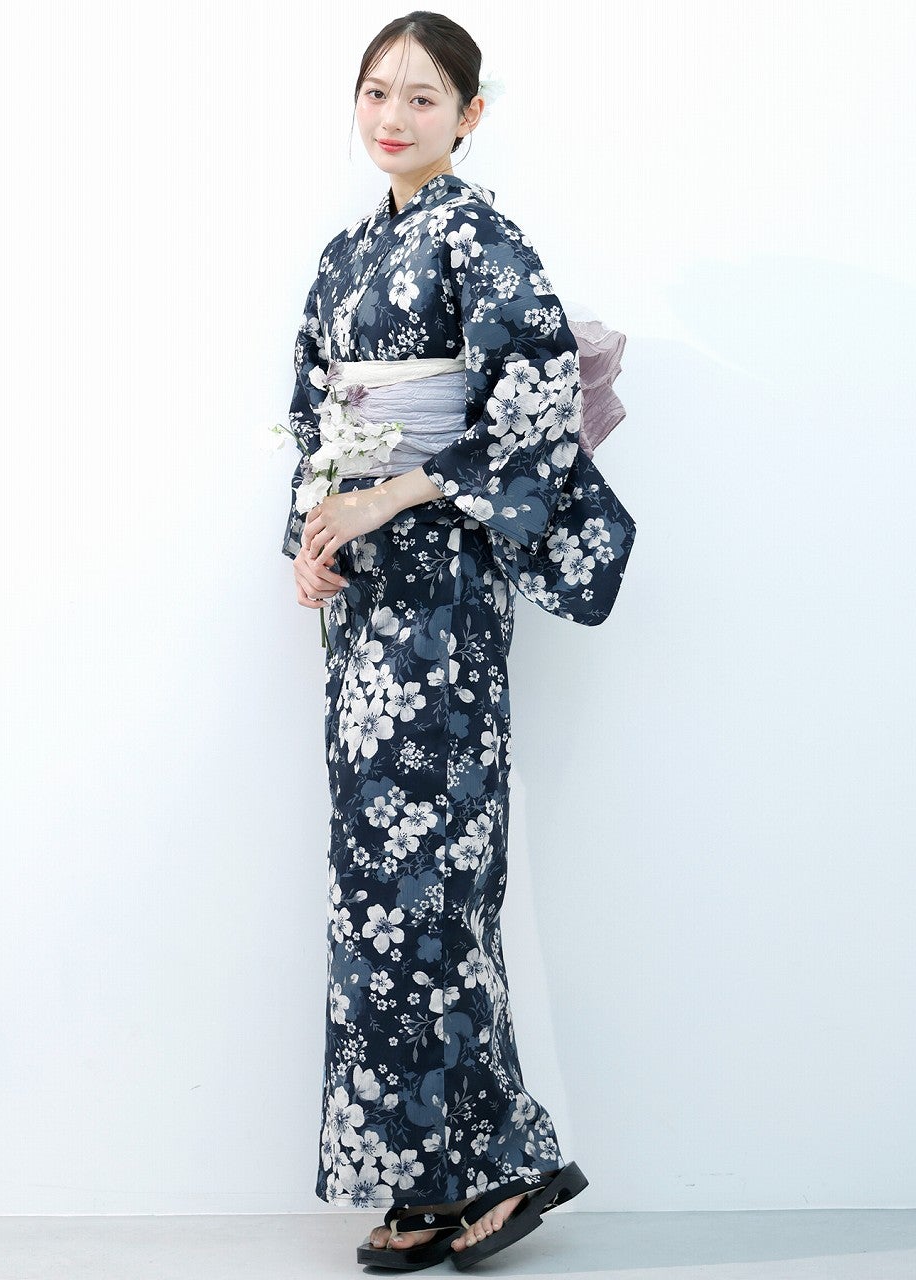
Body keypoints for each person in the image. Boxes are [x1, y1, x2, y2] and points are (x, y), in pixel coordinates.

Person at [279, 11, 637, 1271]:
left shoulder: (479, 237)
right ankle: (430, 1177)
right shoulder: (344, 256)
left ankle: (502, 1160)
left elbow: (532, 394)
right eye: (377, 92)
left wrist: (392, 494)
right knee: (377, 886)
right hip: (366, 604)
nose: (394, 116)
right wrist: (314, 532)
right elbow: (315, 409)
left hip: (442, 596)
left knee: (436, 873)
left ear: (469, 116)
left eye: (423, 97)